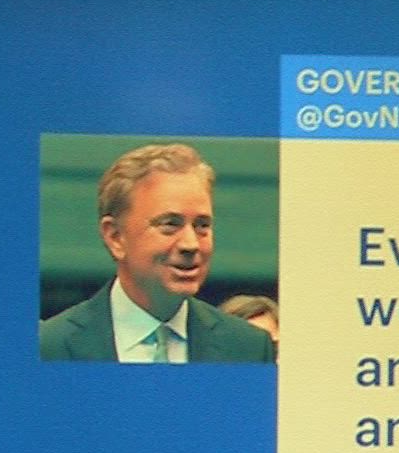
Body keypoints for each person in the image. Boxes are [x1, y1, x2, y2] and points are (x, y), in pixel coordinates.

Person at [39, 143, 274, 362]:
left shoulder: (248, 348)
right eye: (170, 224)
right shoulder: (51, 347)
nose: (191, 244)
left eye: (202, 225)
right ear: (115, 237)